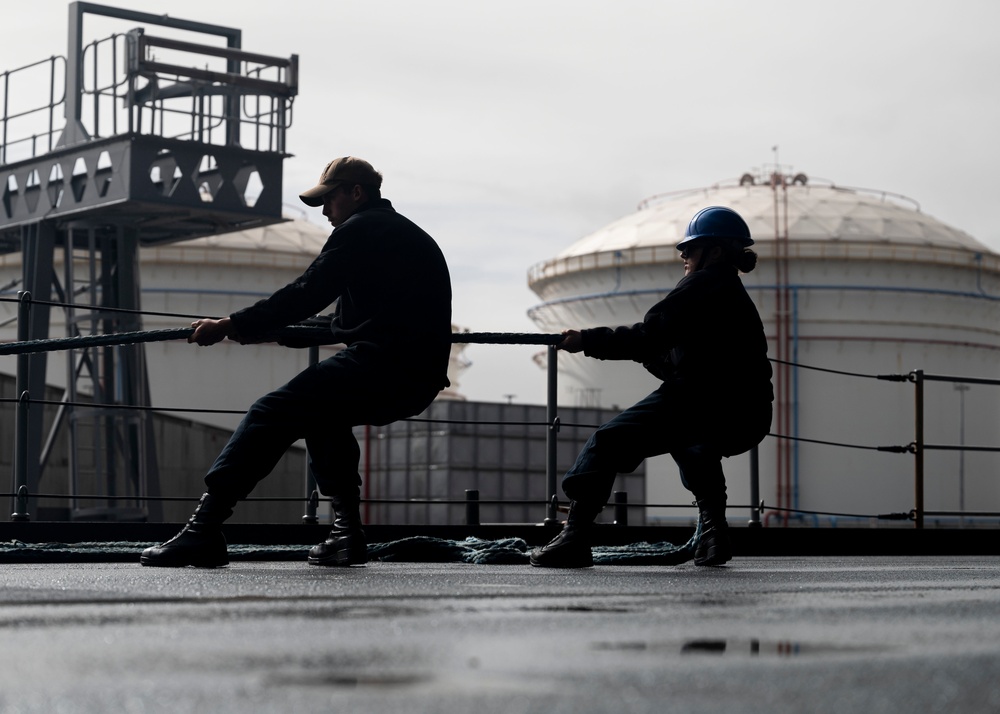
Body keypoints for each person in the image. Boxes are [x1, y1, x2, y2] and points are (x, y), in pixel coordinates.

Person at [141, 156, 453, 568]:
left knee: (272, 410)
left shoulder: (361, 230)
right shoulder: (398, 234)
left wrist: (232, 325)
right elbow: (339, 324)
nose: (325, 212)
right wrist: (254, 331)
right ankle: (346, 534)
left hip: (384, 365)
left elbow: (307, 291)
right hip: (414, 375)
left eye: (329, 199)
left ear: (355, 193)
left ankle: (203, 528)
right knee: (322, 413)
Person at [530, 205, 772, 569]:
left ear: (716, 251)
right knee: (693, 445)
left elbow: (650, 335)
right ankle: (713, 534)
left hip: (704, 399)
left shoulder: (704, 283)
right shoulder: (733, 293)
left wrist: (586, 340)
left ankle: (574, 536)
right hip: (750, 414)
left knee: (607, 442)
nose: (683, 255)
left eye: (689, 249)